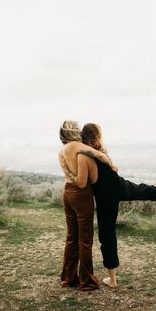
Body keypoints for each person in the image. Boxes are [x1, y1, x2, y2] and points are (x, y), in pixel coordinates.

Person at [63, 123, 156, 288]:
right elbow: (106, 165)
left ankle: (112, 280)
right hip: (116, 184)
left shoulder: (85, 156)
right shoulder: (98, 153)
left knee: (107, 234)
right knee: (136, 189)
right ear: (97, 137)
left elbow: (83, 182)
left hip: (107, 196)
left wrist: (70, 174)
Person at [58, 120, 118, 291]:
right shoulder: (77, 147)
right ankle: (87, 281)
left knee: (71, 237)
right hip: (80, 195)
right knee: (85, 240)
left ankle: (68, 278)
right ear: (74, 132)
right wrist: (111, 164)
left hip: (67, 193)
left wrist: (69, 173)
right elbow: (100, 156)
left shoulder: (61, 150)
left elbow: (68, 172)